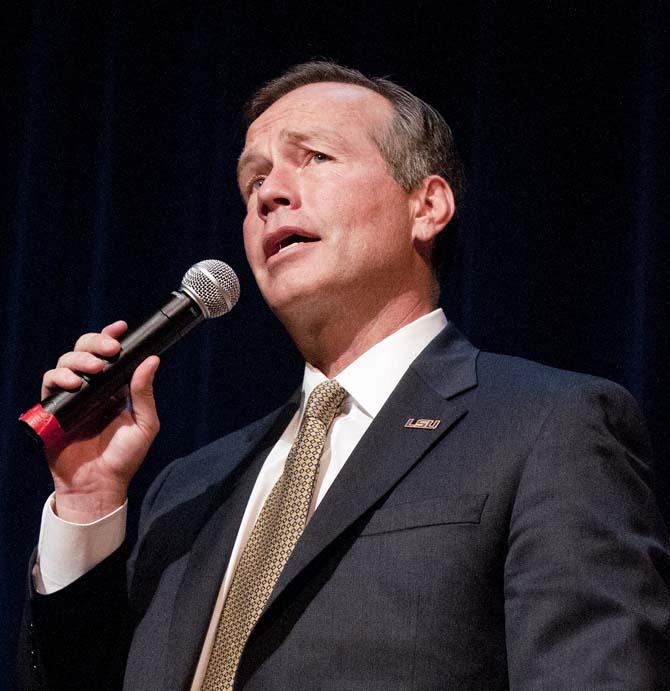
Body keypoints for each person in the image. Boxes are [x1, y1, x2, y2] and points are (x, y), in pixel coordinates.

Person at [18, 61, 670, 690]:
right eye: (252, 183)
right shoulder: (189, 487)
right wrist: (87, 503)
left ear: (427, 205)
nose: (270, 193)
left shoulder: (548, 426)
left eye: (315, 158)